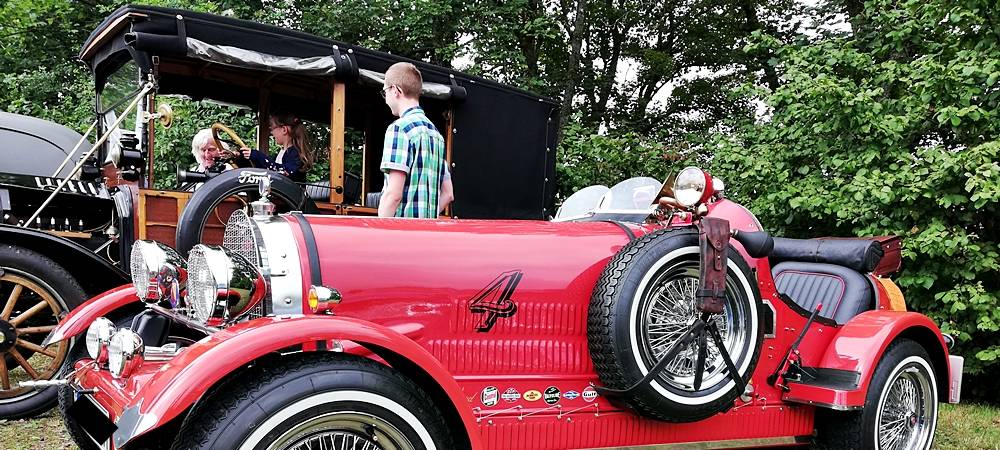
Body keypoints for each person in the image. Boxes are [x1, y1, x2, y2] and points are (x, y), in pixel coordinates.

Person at [378, 62, 453, 218]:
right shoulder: (436, 135)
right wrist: (425, 218)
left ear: (395, 90)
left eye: (385, 92)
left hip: (401, 230)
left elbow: (393, 195)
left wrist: (379, 229)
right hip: (427, 230)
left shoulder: (400, 129)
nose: (385, 100)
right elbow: (448, 194)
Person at [241, 113, 313, 182]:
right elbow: (266, 169)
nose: (271, 133)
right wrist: (243, 158)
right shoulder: (281, 153)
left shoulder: (295, 153)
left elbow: (282, 172)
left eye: (272, 129)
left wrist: (257, 155)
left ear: (284, 130)